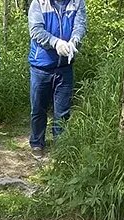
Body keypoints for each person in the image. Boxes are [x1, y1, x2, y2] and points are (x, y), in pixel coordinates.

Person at [27, 0, 86, 159]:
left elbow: (80, 26)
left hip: (65, 67)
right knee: (38, 108)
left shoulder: (77, 2)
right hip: (41, 66)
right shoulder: (39, 3)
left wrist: (75, 41)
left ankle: (61, 147)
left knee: (63, 111)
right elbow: (36, 31)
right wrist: (56, 42)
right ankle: (37, 143)